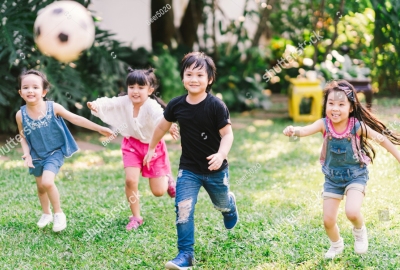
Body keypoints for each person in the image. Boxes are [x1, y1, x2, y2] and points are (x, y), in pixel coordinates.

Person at [283, 80, 400, 259]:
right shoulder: (324, 124)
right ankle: (336, 245)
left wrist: (398, 156)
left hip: (356, 176)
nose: (335, 108)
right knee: (328, 221)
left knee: (352, 211)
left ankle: (359, 231)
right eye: (331, 103)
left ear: (351, 108)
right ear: (326, 105)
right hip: (332, 179)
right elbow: (306, 130)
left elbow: (381, 139)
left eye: (340, 104)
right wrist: (293, 131)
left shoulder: (356, 126)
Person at [143, 52, 238, 269]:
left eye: (199, 74)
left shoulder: (216, 106)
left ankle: (229, 206)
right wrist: (150, 149)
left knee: (221, 203)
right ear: (182, 78)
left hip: (216, 170)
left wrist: (221, 154)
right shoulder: (176, 105)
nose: (193, 79)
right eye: (189, 74)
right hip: (189, 170)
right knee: (183, 207)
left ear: (210, 79)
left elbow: (228, 134)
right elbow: (161, 127)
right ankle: (185, 255)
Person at [16, 69, 113, 232]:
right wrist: (26, 153)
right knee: (40, 187)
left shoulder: (53, 107)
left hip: (55, 152)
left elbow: (75, 118)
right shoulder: (20, 114)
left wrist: (99, 128)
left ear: (44, 91)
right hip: (36, 155)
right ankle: (46, 213)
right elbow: (22, 135)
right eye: (26, 87)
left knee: (47, 182)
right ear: (20, 92)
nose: (30, 90)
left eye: (35, 87)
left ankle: (58, 213)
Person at [87, 67, 178, 231]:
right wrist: (96, 105)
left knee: (158, 191)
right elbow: (110, 102)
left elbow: (161, 117)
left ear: (150, 90)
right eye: (132, 87)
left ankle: (168, 178)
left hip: (152, 146)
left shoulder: (151, 106)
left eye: (141, 87)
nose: (135, 91)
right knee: (130, 180)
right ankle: (136, 217)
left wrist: (169, 126)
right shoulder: (124, 102)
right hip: (131, 146)